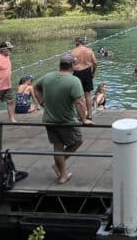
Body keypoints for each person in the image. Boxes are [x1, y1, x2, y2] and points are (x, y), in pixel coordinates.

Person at [33, 54, 93, 184]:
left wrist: (41, 102)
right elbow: (79, 102)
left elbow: (35, 87)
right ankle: (59, 168)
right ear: (72, 66)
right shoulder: (74, 81)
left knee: (58, 146)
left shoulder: (48, 77)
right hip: (66, 120)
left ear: (60, 64)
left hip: (49, 119)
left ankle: (62, 174)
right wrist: (84, 119)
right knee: (77, 141)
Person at [71, 38, 98, 120]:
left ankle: (81, 115)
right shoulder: (89, 50)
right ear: (84, 43)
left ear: (76, 43)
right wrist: (93, 73)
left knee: (78, 96)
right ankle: (89, 114)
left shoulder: (73, 51)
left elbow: (70, 65)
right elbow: (95, 63)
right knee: (88, 95)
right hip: (87, 72)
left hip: (77, 73)